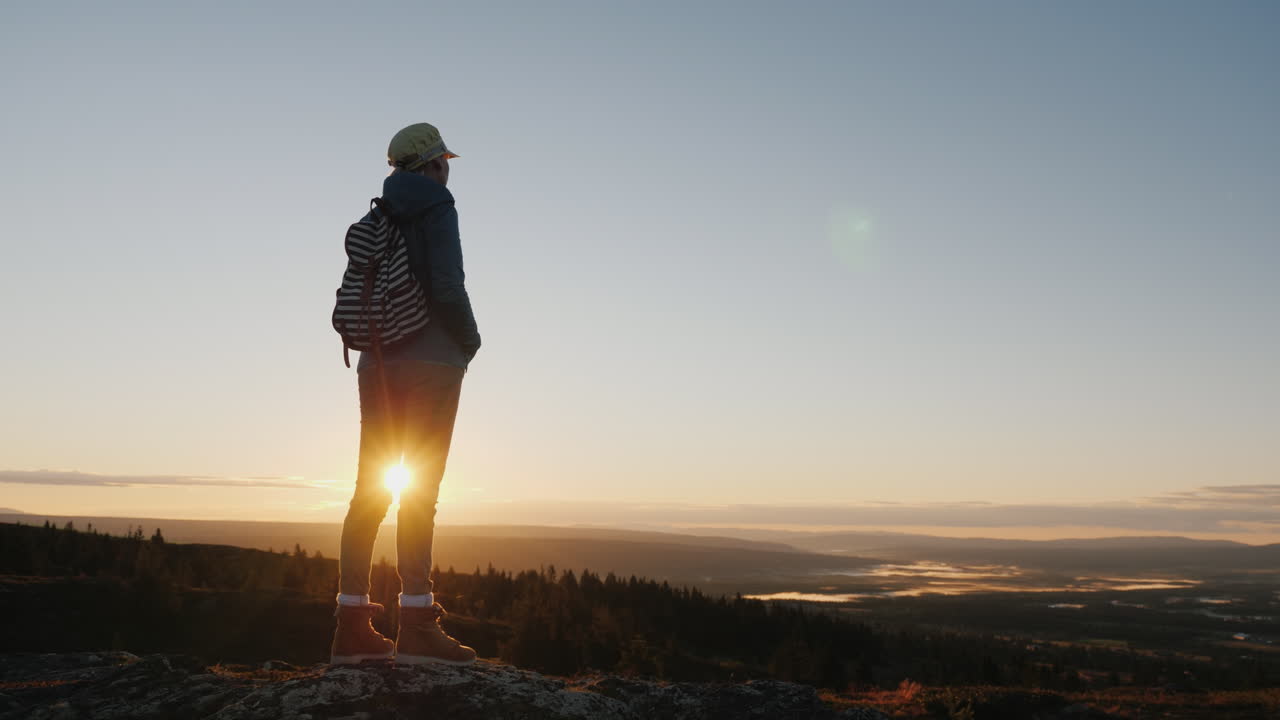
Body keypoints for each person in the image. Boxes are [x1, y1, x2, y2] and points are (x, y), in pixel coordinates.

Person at [329, 122, 482, 666]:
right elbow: (446, 285)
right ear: (434, 164)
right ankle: (416, 624)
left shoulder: (378, 213)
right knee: (420, 491)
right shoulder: (439, 206)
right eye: (445, 161)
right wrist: (470, 341)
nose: (448, 169)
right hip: (432, 362)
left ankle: (351, 628)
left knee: (369, 489)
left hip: (376, 361)